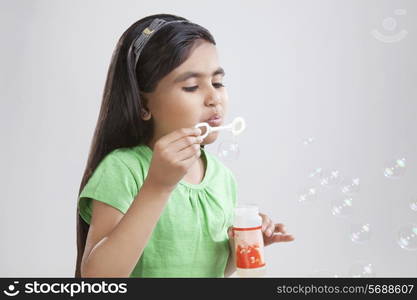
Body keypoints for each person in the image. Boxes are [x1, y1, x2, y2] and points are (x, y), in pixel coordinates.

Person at [74, 13, 294, 278]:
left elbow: (213, 271)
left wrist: (242, 246)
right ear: (144, 105)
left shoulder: (222, 178)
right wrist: (158, 186)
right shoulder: (124, 169)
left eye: (218, 82)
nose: (214, 98)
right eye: (191, 86)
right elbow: (99, 278)